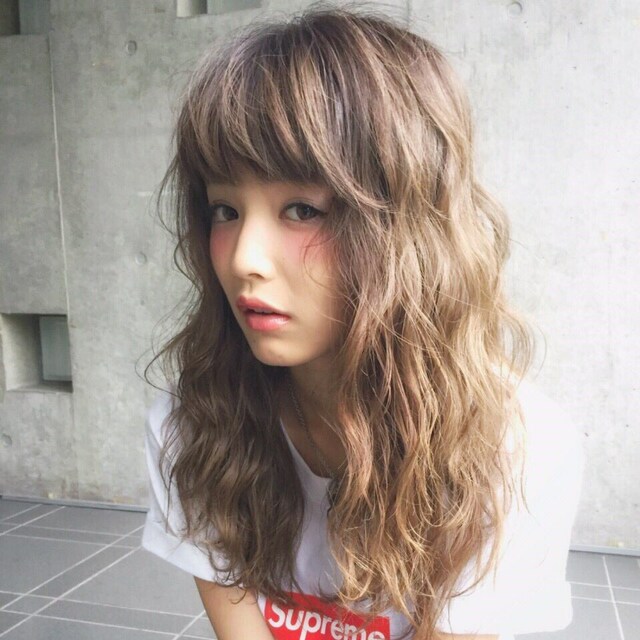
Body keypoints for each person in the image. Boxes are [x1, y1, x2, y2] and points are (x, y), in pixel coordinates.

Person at [141, 6, 584, 640]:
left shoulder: (513, 450)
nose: (243, 260)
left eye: (303, 209)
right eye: (224, 210)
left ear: (409, 230)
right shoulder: (196, 421)